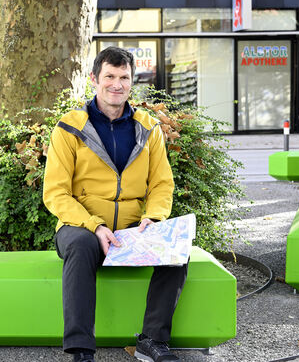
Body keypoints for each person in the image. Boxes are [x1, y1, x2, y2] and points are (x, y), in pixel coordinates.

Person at [43, 46, 187, 362]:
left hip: (133, 227)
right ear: (95, 79)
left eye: (124, 77)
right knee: (80, 246)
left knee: (177, 246)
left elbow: (162, 184)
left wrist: (154, 217)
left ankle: (152, 341)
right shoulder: (69, 127)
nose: (116, 84)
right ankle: (81, 350)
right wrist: (95, 225)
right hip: (82, 226)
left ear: (132, 82)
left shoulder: (148, 127)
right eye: (109, 76)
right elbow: (55, 193)